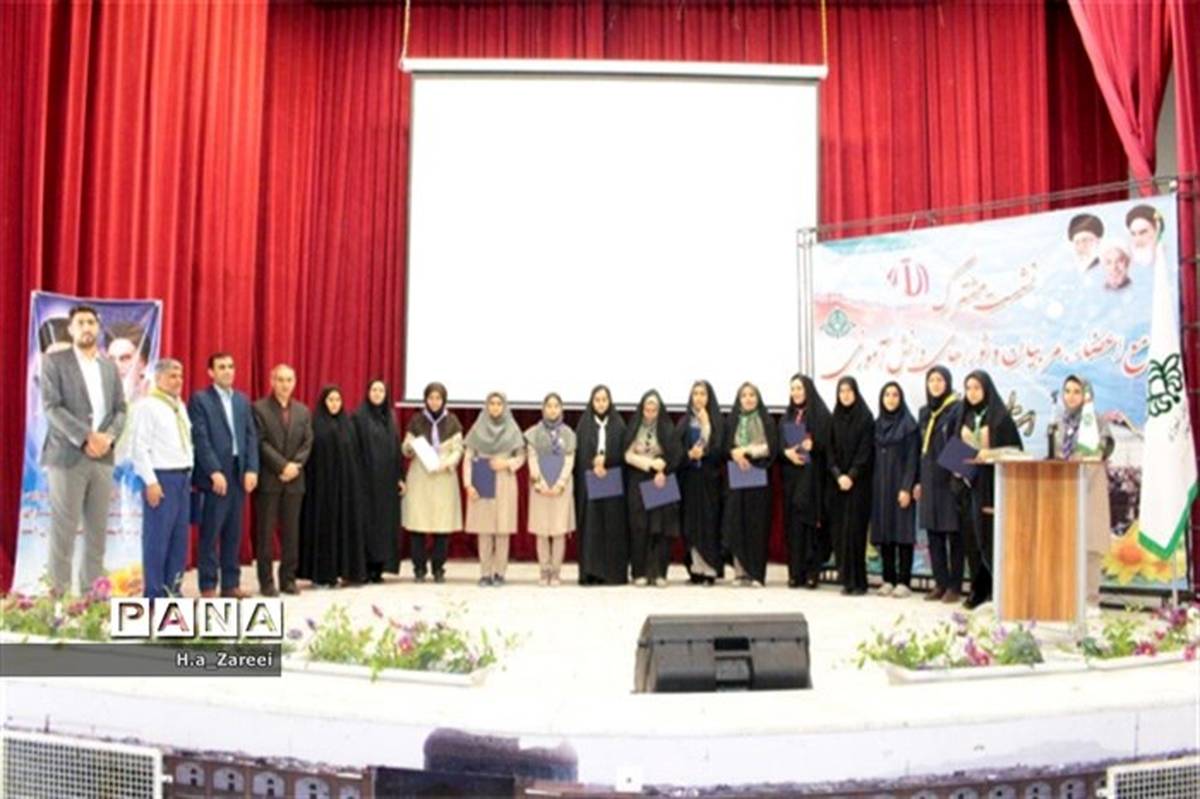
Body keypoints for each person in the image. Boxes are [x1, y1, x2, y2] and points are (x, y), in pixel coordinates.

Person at [40, 305, 128, 596]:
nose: (87, 327)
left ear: (98, 328)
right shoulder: (55, 362)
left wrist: (108, 437)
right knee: (63, 532)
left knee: (97, 533)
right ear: (71, 329)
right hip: (68, 456)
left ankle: (92, 597)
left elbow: (120, 409)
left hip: (103, 457)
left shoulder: (108, 367)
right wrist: (86, 437)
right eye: (81, 322)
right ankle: (58, 601)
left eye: (91, 322)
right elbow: (52, 407)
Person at [950, 370, 1023, 610]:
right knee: (971, 539)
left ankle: (998, 589)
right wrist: (958, 467)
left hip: (993, 486)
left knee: (991, 538)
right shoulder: (963, 414)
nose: (972, 393)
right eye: (968, 388)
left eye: (977, 388)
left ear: (987, 389)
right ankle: (978, 589)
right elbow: (953, 447)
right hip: (967, 485)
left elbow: (1014, 451)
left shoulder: (1000, 417)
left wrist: (988, 454)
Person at [189, 353, 260, 598]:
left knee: (233, 531)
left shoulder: (242, 400)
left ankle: (231, 584)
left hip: (238, 471)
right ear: (211, 372)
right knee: (211, 532)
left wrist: (252, 468)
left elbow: (251, 436)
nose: (228, 371)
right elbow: (200, 438)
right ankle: (208, 585)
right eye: (222, 367)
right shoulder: (200, 399)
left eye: (231, 366)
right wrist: (213, 470)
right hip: (215, 475)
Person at [129, 359, 193, 599]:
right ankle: (154, 594)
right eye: (172, 376)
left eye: (180, 376)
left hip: (182, 478)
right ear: (158, 379)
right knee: (157, 539)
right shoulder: (148, 406)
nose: (178, 381)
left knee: (178, 539)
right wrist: (151, 481)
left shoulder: (179, 406)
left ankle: (172, 589)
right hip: (162, 478)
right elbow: (139, 448)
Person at [1049, 375, 1114, 605]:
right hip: (1063, 489)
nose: (1071, 396)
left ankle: (1090, 602)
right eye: (1067, 391)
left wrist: (1084, 459)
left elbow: (1102, 450)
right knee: (1064, 546)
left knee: (1089, 547)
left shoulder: (1096, 420)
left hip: (1090, 487)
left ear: (1086, 394)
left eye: (1077, 391)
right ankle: (1065, 600)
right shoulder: (1058, 422)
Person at [252, 364, 313, 597]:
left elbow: (307, 442)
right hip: (270, 479)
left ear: (294, 383)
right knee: (265, 534)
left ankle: (288, 579)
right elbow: (260, 442)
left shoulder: (303, 411)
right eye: (280, 380)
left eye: (289, 380)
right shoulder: (259, 408)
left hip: (295, 481)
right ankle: (266, 582)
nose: (285, 385)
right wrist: (282, 466)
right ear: (272, 381)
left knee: (291, 534)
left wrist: (295, 465)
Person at [299, 385, 367, 588]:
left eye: (338, 400)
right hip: (322, 488)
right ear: (323, 402)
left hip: (345, 489)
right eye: (330, 400)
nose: (334, 404)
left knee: (345, 527)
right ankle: (322, 575)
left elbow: (354, 456)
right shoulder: (316, 424)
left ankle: (346, 572)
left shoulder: (348, 424)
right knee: (324, 528)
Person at [402, 382, 463, 583]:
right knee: (418, 525)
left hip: (443, 478)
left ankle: (438, 569)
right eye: (431, 398)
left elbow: (458, 449)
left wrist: (446, 463)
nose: (434, 402)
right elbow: (406, 447)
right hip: (420, 476)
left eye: (438, 398)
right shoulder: (417, 420)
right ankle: (419, 569)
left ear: (444, 400)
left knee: (441, 526)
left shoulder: (452, 421)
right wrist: (409, 447)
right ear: (425, 399)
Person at [463, 391, 526, 587]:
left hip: (505, 480)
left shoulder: (512, 428)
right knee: (484, 530)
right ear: (487, 406)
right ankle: (485, 573)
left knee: (502, 530)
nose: (496, 407)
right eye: (492, 403)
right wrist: (468, 484)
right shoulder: (477, 428)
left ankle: (499, 573)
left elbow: (521, 456)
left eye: (499, 403)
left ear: (504, 406)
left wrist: (506, 463)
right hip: (482, 478)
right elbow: (468, 458)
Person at [914, 366, 964, 603]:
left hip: (949, 480)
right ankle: (940, 582)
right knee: (933, 534)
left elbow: (959, 442)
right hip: (929, 479)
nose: (935, 384)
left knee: (954, 535)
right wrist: (918, 480)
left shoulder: (956, 409)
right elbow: (920, 448)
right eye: (931, 380)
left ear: (948, 383)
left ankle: (955, 586)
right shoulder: (925, 412)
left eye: (940, 380)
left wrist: (956, 477)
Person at [623, 389, 682, 586]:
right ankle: (639, 572)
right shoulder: (634, 427)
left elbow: (676, 454)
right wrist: (648, 464)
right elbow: (627, 455)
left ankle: (659, 573)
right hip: (638, 480)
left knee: (661, 528)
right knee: (639, 527)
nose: (650, 413)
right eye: (646, 409)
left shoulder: (667, 428)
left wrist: (663, 468)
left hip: (661, 480)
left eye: (653, 409)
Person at [721, 381, 777, 587]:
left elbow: (771, 447)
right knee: (737, 523)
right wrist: (735, 454)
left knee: (756, 525)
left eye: (752, 395)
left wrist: (747, 452)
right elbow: (725, 447)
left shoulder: (766, 420)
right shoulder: (732, 420)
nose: (748, 399)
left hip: (758, 476)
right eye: (744, 395)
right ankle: (740, 573)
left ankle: (757, 574)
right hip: (737, 477)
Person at [779, 374, 832, 589]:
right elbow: (778, 446)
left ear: (808, 390)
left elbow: (829, 445)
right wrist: (786, 453)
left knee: (811, 525)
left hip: (813, 479)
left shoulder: (821, 414)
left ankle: (812, 572)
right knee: (793, 525)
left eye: (799, 388)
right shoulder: (787, 417)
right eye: (793, 389)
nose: (796, 393)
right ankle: (795, 572)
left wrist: (814, 445)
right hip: (792, 477)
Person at [574, 385, 629, 585]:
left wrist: (607, 462)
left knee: (612, 525)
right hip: (591, 481)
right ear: (592, 402)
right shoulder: (584, 424)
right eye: (597, 400)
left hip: (612, 480)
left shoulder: (619, 424)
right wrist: (593, 465)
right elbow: (580, 455)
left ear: (609, 401)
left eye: (604, 399)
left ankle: (612, 573)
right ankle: (591, 573)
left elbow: (623, 453)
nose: (601, 404)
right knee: (592, 526)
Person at [353, 379, 404, 583]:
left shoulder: (390, 416)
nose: (377, 393)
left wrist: (400, 477)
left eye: (381, 390)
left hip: (387, 481)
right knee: (367, 524)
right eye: (374, 390)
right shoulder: (358, 417)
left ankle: (379, 568)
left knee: (385, 524)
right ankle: (365, 567)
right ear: (367, 392)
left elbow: (396, 448)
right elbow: (354, 449)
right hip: (365, 481)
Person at [871, 382, 920, 598]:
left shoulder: (909, 425)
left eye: (895, 395)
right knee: (885, 533)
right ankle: (888, 579)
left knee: (903, 534)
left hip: (900, 484)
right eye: (887, 395)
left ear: (901, 399)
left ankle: (904, 581)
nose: (891, 399)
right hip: (880, 485)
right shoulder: (876, 425)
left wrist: (907, 488)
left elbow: (912, 459)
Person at [675, 380, 725, 585]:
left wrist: (705, 427)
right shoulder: (684, 421)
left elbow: (719, 449)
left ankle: (710, 570)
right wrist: (688, 455)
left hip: (709, 480)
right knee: (691, 525)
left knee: (709, 524)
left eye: (703, 394)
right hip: (689, 480)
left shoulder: (716, 421)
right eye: (695, 393)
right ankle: (695, 569)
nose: (698, 398)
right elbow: (676, 450)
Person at [828, 376, 874, 595]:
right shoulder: (834, 418)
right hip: (837, 485)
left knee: (856, 533)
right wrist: (838, 475)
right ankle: (846, 580)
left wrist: (851, 476)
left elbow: (865, 452)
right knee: (840, 533)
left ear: (856, 393)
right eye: (841, 391)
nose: (845, 395)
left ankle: (859, 582)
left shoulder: (866, 418)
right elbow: (829, 452)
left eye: (849, 391)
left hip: (859, 485)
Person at [525, 393, 577, 586]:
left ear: (561, 409)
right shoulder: (533, 433)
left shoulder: (569, 433)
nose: (553, 410)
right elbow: (532, 457)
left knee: (558, 531)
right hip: (540, 488)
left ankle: (555, 572)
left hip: (561, 489)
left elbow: (569, 459)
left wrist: (560, 484)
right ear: (543, 408)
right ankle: (543, 571)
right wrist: (539, 482)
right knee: (542, 532)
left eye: (556, 406)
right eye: (549, 406)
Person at [104, 320, 151, 401]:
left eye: (125, 358)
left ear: (143, 365)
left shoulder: (157, 404)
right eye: (111, 359)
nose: (116, 366)